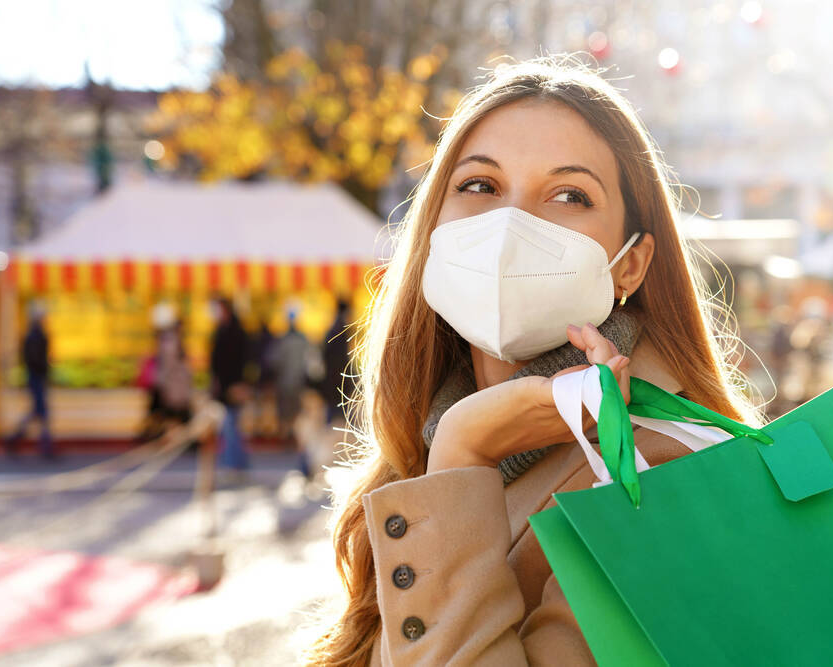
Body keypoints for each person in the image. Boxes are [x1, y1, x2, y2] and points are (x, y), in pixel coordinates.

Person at [303, 58, 762, 666]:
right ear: (433, 227)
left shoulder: (654, 469)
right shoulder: (418, 439)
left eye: (569, 195)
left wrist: (462, 457)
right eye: (480, 186)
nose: (509, 224)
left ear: (630, 263)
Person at [4, 303, 54, 460]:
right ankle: (44, 446)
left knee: (38, 411)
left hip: (37, 376)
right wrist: (43, 368)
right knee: (41, 412)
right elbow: (33, 358)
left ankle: (17, 439)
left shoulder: (36, 333)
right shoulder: (33, 335)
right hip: (36, 376)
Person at [209, 297, 250, 471]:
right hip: (226, 387)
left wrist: (240, 382)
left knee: (231, 427)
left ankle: (234, 463)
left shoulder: (234, 331)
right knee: (230, 427)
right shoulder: (224, 329)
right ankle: (234, 462)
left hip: (233, 386)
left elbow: (239, 360)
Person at [269, 307, 312, 475]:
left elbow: (275, 361)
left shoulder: (283, 340)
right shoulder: (303, 340)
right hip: (299, 383)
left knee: (286, 413)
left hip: (286, 383)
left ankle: (289, 441)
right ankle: (295, 442)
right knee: (297, 414)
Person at [319, 298, 352, 426]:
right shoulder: (342, 329)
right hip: (339, 380)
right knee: (340, 417)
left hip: (332, 380)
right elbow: (343, 357)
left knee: (333, 416)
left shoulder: (332, 328)